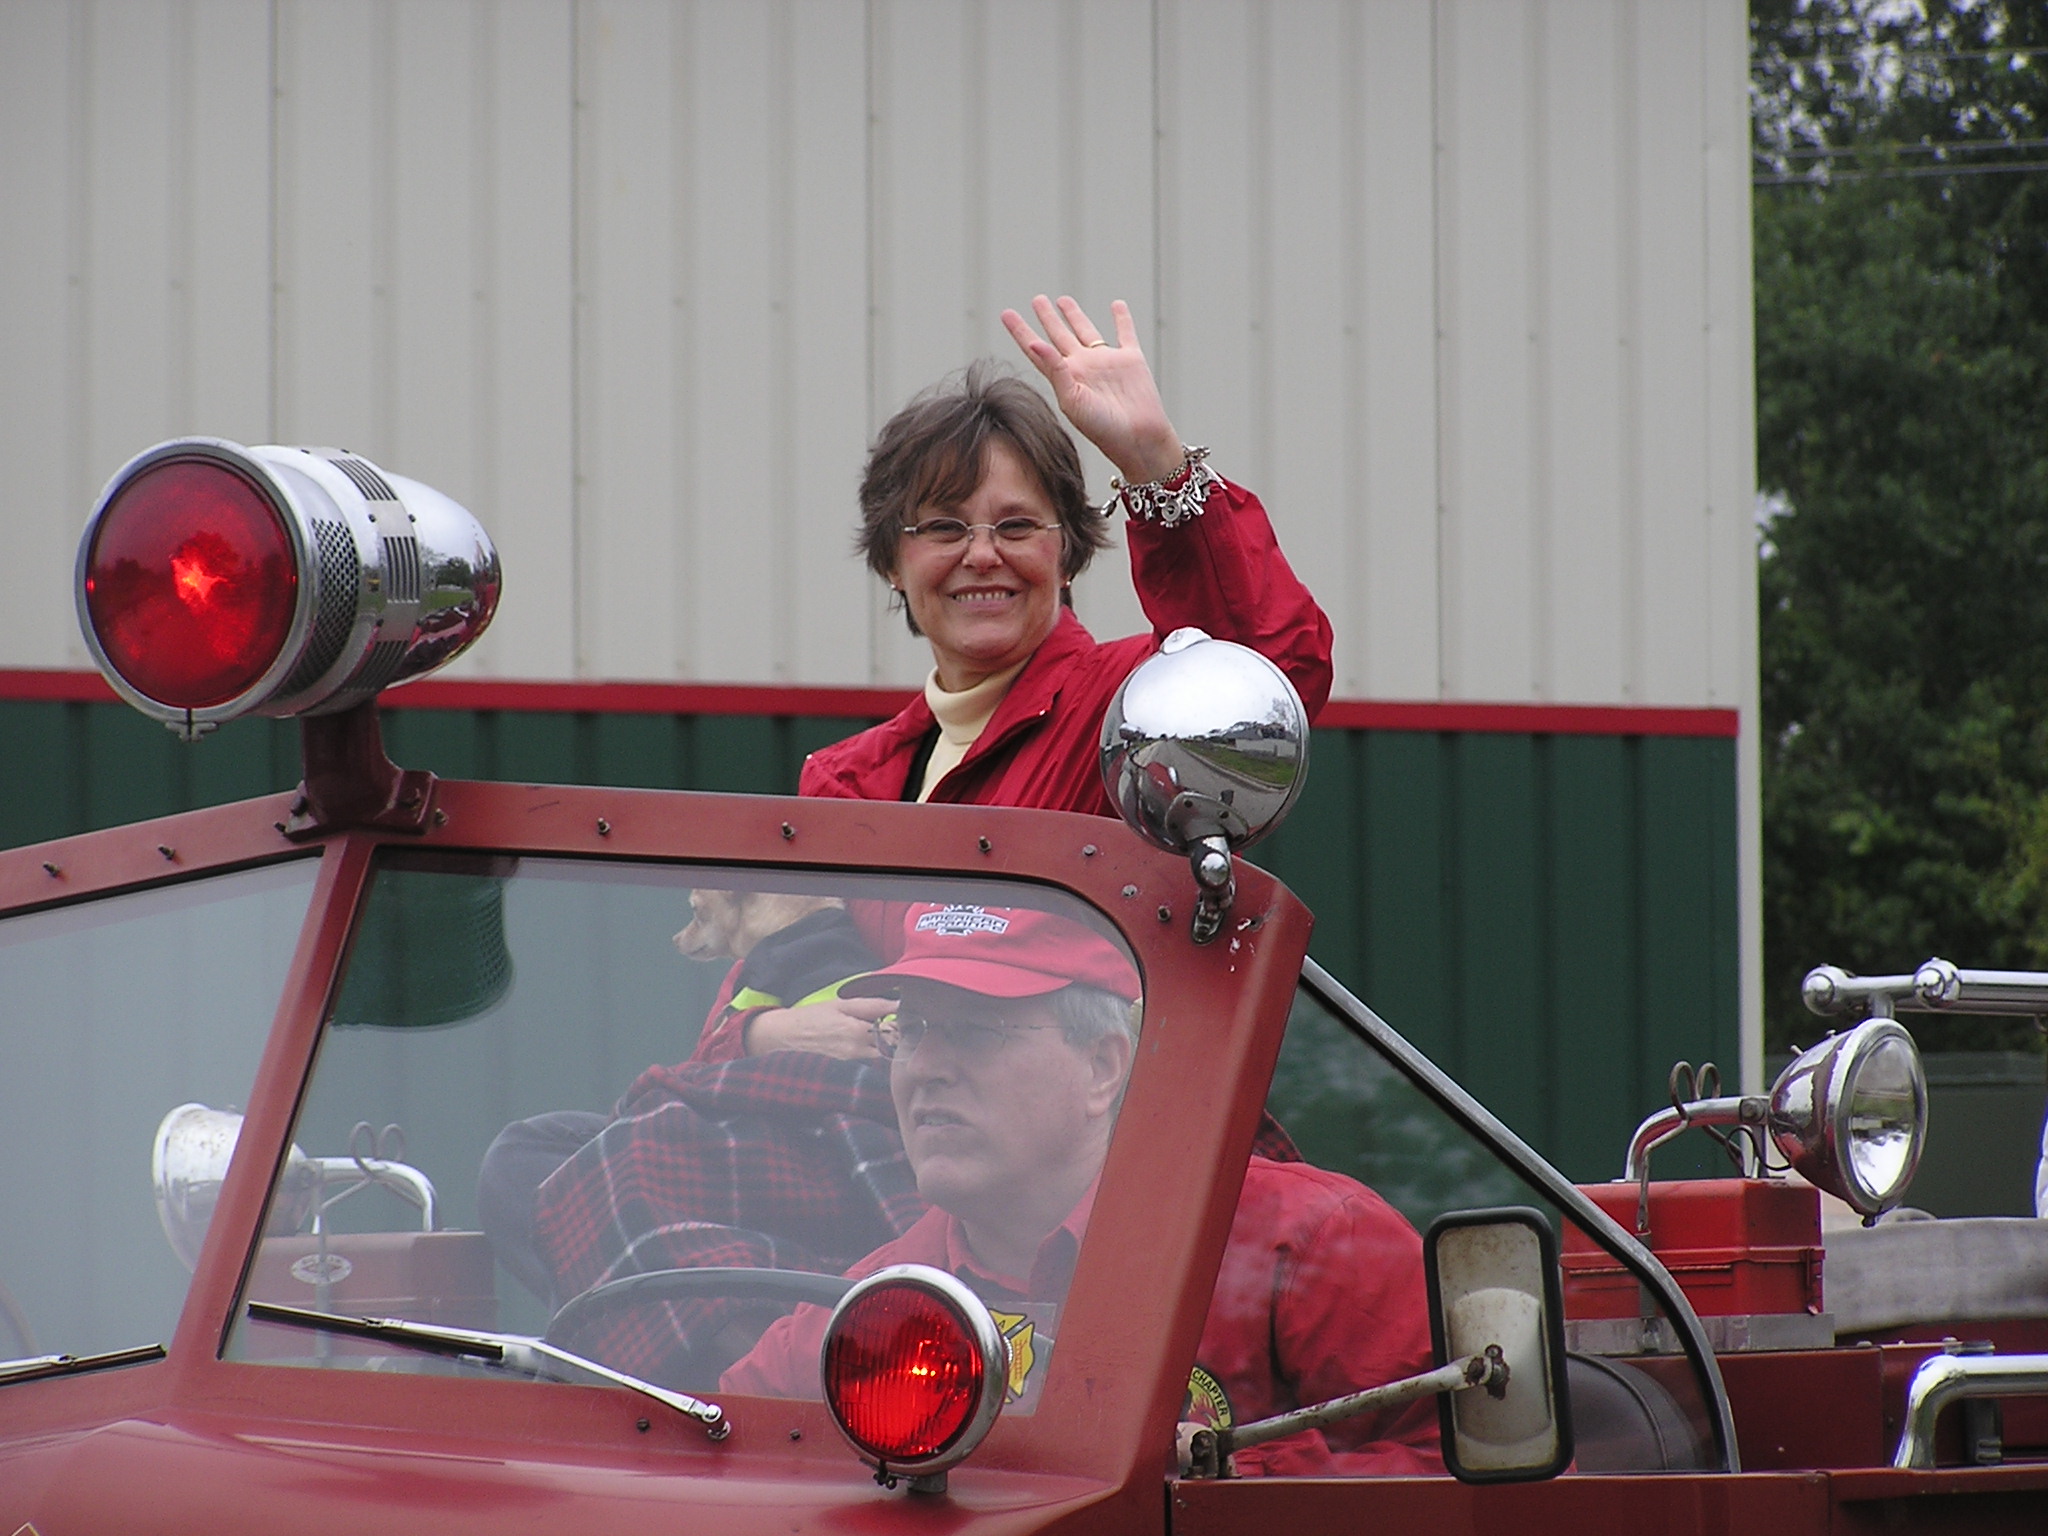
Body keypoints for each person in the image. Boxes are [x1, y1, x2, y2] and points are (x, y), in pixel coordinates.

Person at [720, 902, 1443, 1479]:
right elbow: (717, 1457)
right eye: (910, 1031)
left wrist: (1231, 1478)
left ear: (1103, 1066)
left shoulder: (1307, 1239)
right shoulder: (870, 1307)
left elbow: (1476, 1470)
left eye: (973, 1031)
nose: (925, 1068)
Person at [799, 295, 1332, 815]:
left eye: (1017, 526)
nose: (982, 554)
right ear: (892, 561)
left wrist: (1155, 460)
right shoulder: (847, 786)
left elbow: (1266, 675)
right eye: (944, 527)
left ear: (1069, 554)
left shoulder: (1127, 715)